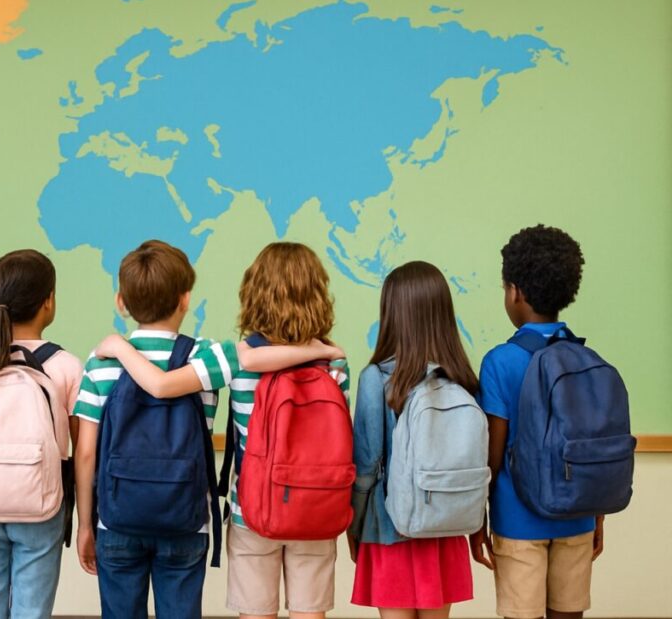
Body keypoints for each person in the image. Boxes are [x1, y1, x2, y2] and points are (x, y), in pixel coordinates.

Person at [95, 241, 349, 619]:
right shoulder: (335, 365)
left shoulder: (237, 359)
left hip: (253, 511)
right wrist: (322, 352)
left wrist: (119, 346)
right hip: (317, 510)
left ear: (253, 294)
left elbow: (166, 384)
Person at [469, 225, 602, 619]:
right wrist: (597, 515)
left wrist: (477, 519)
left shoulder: (500, 362)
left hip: (518, 520)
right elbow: (591, 446)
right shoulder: (585, 358)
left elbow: (493, 458)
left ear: (516, 292)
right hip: (577, 516)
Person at [0, 249, 83, 619]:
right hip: (42, 504)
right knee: (33, 610)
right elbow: (81, 449)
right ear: (49, 302)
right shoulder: (66, 367)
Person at [349, 260, 476, 618]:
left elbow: (367, 467)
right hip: (445, 528)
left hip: (390, 528)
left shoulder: (375, 378)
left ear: (391, 313)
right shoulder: (460, 378)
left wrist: (354, 524)